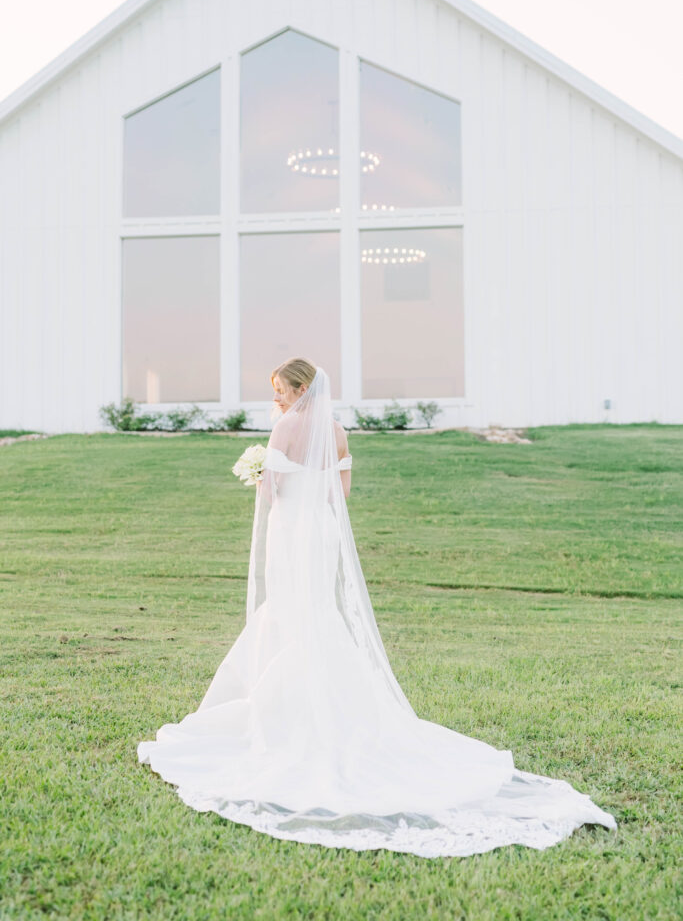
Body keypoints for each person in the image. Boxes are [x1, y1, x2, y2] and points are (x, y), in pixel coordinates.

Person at [137, 357, 617, 858]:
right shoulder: (338, 431)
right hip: (321, 532)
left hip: (292, 532)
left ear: (300, 388)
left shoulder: (284, 427)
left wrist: (261, 472)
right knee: (316, 611)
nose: (276, 397)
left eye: (280, 388)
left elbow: (274, 493)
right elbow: (340, 495)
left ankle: (287, 712)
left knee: (288, 611)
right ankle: (327, 702)